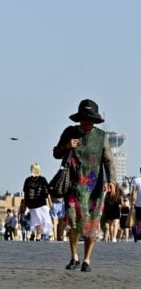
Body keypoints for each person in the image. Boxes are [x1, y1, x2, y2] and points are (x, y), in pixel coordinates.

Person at [53, 98, 115, 272]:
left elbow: (109, 160)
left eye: (90, 119)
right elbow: (56, 153)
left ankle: (87, 260)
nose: (86, 122)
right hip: (73, 186)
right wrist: (67, 146)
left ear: (95, 120)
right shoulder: (70, 132)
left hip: (94, 188)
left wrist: (111, 180)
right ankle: (74, 257)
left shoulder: (101, 137)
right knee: (72, 221)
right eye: (84, 119)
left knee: (92, 224)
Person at [20, 163, 51, 241]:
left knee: (37, 220)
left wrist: (24, 206)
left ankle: (36, 234)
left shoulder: (27, 180)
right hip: (41, 203)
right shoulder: (42, 179)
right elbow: (48, 192)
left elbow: (25, 194)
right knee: (42, 220)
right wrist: (50, 203)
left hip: (32, 204)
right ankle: (38, 234)